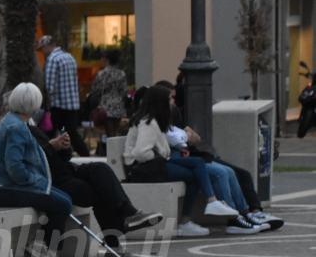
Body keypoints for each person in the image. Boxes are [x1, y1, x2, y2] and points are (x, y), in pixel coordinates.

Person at [26, 120, 163, 257]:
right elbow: (32, 160)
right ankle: (115, 243)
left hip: (69, 170)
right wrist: (51, 146)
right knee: (100, 191)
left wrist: (64, 147)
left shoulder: (34, 129)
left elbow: (61, 157)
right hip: (52, 180)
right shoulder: (18, 130)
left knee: (101, 169)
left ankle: (129, 213)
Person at [156, 80, 283, 232]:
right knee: (221, 173)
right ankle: (233, 219)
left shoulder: (173, 113)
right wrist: (184, 136)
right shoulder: (156, 119)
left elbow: (194, 138)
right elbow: (176, 140)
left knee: (237, 173)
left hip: (194, 155)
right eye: (171, 98)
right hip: (182, 159)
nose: (174, 101)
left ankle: (246, 213)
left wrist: (183, 136)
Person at [123, 85, 240, 237]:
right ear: (160, 102)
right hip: (145, 169)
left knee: (197, 163)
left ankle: (211, 203)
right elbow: (140, 153)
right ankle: (192, 217)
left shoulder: (153, 120)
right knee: (194, 176)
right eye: (169, 99)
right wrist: (158, 156)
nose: (172, 102)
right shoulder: (148, 123)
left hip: (156, 164)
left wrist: (161, 155)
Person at [0, 82, 72, 257]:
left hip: (6, 186)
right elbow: (14, 166)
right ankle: (48, 249)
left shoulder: (13, 122)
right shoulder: (17, 127)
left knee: (64, 199)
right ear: (34, 104)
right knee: (62, 204)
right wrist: (32, 180)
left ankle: (41, 245)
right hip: (7, 188)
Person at [36, 35, 90, 156]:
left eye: (42, 49)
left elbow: (50, 87)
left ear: (47, 46)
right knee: (70, 132)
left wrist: (44, 103)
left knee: (51, 132)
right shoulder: (69, 57)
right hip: (73, 104)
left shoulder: (52, 60)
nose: (42, 53)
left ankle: (46, 156)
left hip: (59, 105)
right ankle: (78, 155)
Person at [90, 49, 128, 155]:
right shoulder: (121, 74)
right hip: (118, 106)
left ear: (107, 59)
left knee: (109, 134)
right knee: (116, 132)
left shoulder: (101, 74)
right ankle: (117, 154)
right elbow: (124, 91)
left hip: (105, 106)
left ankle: (111, 154)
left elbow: (95, 90)